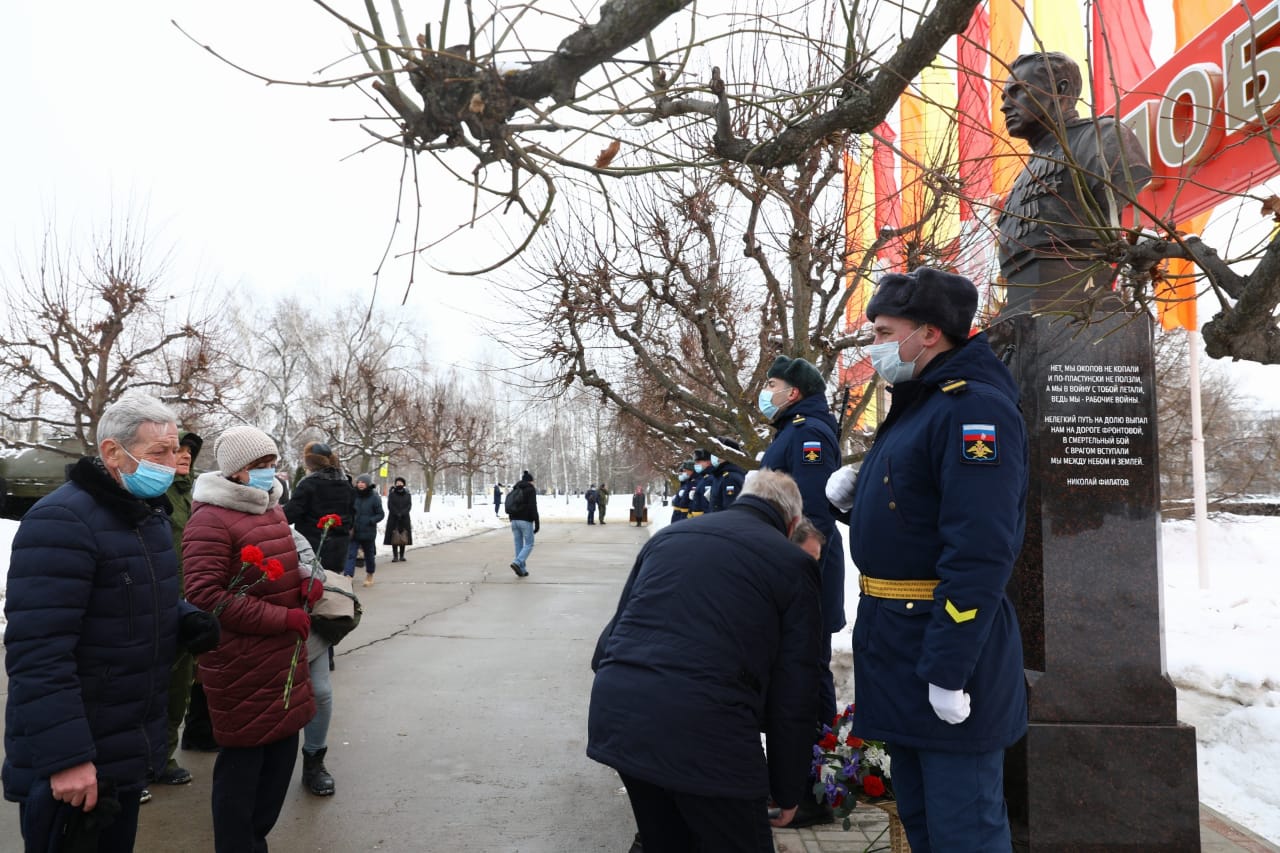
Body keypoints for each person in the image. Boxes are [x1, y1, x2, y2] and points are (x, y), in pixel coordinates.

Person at [825, 266, 1030, 851]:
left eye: (884, 333)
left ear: (930, 333)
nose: (874, 346)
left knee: (963, 830)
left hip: (943, 649)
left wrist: (948, 668)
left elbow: (980, 549)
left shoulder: (973, 411)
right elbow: (918, 515)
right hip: (900, 646)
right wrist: (857, 498)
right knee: (922, 823)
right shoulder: (924, 403)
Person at [3, 394, 220, 852]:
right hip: (75, 762)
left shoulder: (147, 516)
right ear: (112, 452)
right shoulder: (61, 520)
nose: (171, 463)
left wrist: (185, 619)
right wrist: (68, 759)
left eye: (174, 449)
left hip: (123, 749)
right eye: (158, 452)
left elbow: (134, 598)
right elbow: (38, 652)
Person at [588, 469, 822, 851]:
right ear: (793, 523)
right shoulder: (792, 564)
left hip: (622, 718)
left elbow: (606, 648)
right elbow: (795, 691)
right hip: (711, 732)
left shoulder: (668, 538)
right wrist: (787, 789)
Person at [183, 425, 320, 853]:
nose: (269, 471)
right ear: (236, 470)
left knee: (278, 764)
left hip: (282, 658)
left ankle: (254, 841)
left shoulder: (269, 507)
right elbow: (205, 596)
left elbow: (282, 562)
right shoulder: (210, 518)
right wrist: (282, 617)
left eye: (272, 463)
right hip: (240, 662)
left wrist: (304, 579)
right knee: (243, 772)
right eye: (260, 464)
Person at [996, 51, 1152, 315]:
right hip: (1022, 303)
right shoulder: (1024, 175)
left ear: (1060, 89)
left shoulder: (1102, 138)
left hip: (1078, 298)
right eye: (1004, 97)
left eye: (1018, 92)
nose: (1005, 106)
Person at [758, 352, 844, 826]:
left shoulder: (808, 431)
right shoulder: (791, 430)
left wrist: (793, 576)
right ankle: (795, 785)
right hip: (791, 575)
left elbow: (813, 517)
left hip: (805, 577)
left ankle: (815, 791)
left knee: (807, 679)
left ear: (793, 392)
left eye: (771, 385)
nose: (766, 392)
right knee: (794, 679)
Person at [158, 429, 204, 789]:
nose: (186, 455)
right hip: (158, 603)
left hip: (188, 605)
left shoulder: (194, 496)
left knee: (179, 687)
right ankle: (138, 764)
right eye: (178, 450)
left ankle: (162, 758)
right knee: (152, 688)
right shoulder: (155, 495)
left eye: (190, 451)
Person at [291, 531, 338, 797]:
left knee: (320, 692)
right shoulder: (220, 521)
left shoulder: (285, 529)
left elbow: (316, 568)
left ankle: (314, 760)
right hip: (259, 629)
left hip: (304, 627)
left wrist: (307, 576)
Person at [284, 441, 356, 575]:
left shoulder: (308, 484)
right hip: (339, 548)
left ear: (310, 462)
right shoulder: (346, 483)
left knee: (314, 585)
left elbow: (290, 514)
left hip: (313, 549)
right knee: (334, 584)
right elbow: (352, 514)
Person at [347, 473, 385, 587]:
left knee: (369, 555)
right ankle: (348, 576)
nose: (360, 484)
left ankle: (370, 574)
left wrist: (370, 521)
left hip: (368, 532)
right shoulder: (353, 495)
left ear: (368, 484)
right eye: (358, 482)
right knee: (350, 554)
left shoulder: (374, 497)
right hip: (354, 531)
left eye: (363, 482)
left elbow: (380, 514)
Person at [507, 470, 539, 577]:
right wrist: (537, 522)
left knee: (518, 545)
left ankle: (521, 569)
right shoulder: (530, 489)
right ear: (530, 481)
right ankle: (517, 562)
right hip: (525, 520)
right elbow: (533, 506)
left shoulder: (516, 488)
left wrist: (512, 518)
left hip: (514, 521)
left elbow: (512, 504)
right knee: (529, 543)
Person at [707, 438, 747, 513]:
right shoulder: (720, 475)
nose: (713, 456)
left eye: (717, 452)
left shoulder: (729, 478)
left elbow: (730, 510)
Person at [384, 476, 413, 562]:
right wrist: (396, 513)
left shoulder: (407, 494)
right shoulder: (392, 494)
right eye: (397, 483)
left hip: (404, 518)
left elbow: (409, 505)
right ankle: (395, 556)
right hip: (394, 518)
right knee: (394, 536)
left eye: (400, 483)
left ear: (404, 484)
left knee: (403, 536)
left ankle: (402, 555)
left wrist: (403, 513)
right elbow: (390, 505)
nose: (399, 484)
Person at [687, 450, 713, 517]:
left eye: (698, 462)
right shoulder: (703, 478)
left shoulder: (711, 478)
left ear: (708, 462)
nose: (695, 465)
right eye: (695, 463)